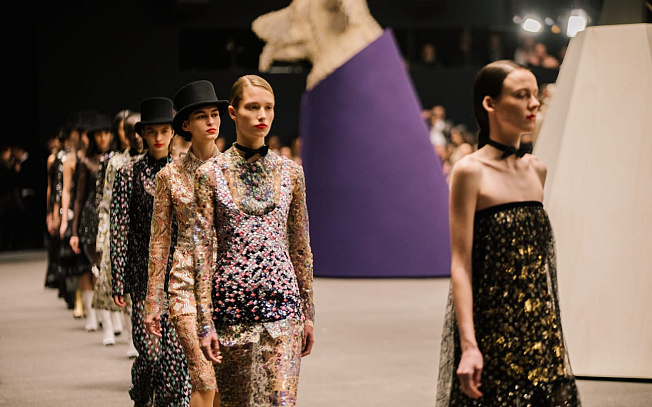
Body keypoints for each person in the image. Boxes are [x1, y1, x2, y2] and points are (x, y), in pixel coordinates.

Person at [435, 60, 581, 406]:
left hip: (539, 329)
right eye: (521, 95)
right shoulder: (470, 171)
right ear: (490, 104)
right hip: (491, 329)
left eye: (535, 94)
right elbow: (461, 264)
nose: (534, 103)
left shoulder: (536, 169)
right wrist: (469, 344)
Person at [194, 75, 315, 406]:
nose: (262, 115)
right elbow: (201, 253)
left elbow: (301, 247)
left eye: (268, 107)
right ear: (233, 113)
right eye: (252, 107)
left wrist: (308, 313)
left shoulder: (291, 172)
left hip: (284, 306)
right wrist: (204, 322)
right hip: (231, 310)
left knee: (282, 402)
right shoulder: (209, 174)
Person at [144, 80, 225, 407]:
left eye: (215, 114)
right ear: (186, 125)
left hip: (228, 285)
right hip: (185, 285)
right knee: (203, 375)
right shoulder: (169, 176)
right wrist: (153, 300)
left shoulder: (233, 170)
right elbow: (159, 240)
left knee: (224, 382)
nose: (211, 121)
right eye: (202, 116)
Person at [111, 97, 191, 406]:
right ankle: (143, 391)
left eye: (164, 131)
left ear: (173, 133)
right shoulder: (127, 174)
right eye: (152, 131)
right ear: (142, 134)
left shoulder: (184, 170)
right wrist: (118, 278)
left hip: (179, 276)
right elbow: (119, 227)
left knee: (177, 358)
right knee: (150, 353)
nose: (158, 137)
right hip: (142, 277)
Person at [93, 109, 142, 351]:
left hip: (144, 233)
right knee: (114, 282)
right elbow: (106, 201)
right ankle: (114, 329)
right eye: (129, 131)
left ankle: (136, 338)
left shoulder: (154, 162)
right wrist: (104, 236)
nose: (135, 136)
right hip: (120, 231)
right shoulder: (115, 162)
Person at [69, 112, 117, 331]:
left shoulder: (118, 160)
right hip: (90, 218)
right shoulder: (86, 162)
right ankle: (95, 316)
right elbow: (79, 197)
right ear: (92, 137)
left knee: (109, 267)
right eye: (98, 134)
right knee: (93, 266)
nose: (103, 138)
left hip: (113, 217)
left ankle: (113, 318)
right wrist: (74, 231)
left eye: (106, 133)